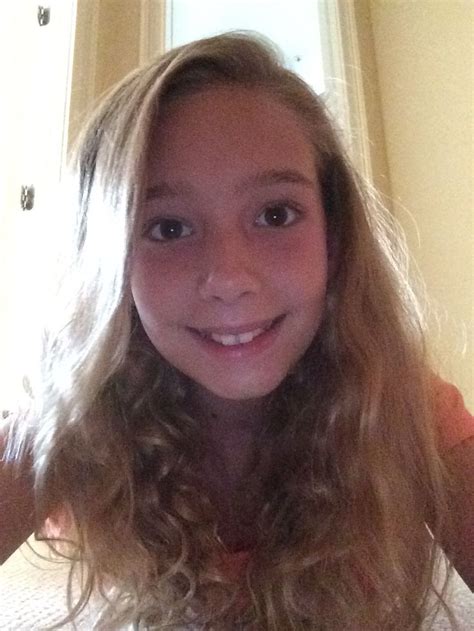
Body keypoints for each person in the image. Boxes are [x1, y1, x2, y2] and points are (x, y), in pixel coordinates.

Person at [1, 32, 473, 630]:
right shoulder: (71, 425)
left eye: (276, 214)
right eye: (168, 228)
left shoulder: (402, 410)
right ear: (109, 260)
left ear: (334, 235)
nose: (229, 279)